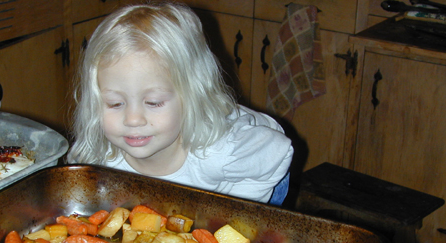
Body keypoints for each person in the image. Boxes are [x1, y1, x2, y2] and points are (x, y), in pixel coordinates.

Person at [67, 2, 293, 205]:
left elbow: (280, 152)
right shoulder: (100, 158)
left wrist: (232, 213)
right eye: (115, 104)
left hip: (260, 165)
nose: (133, 119)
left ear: (191, 98)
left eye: (153, 103)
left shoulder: (219, 154)